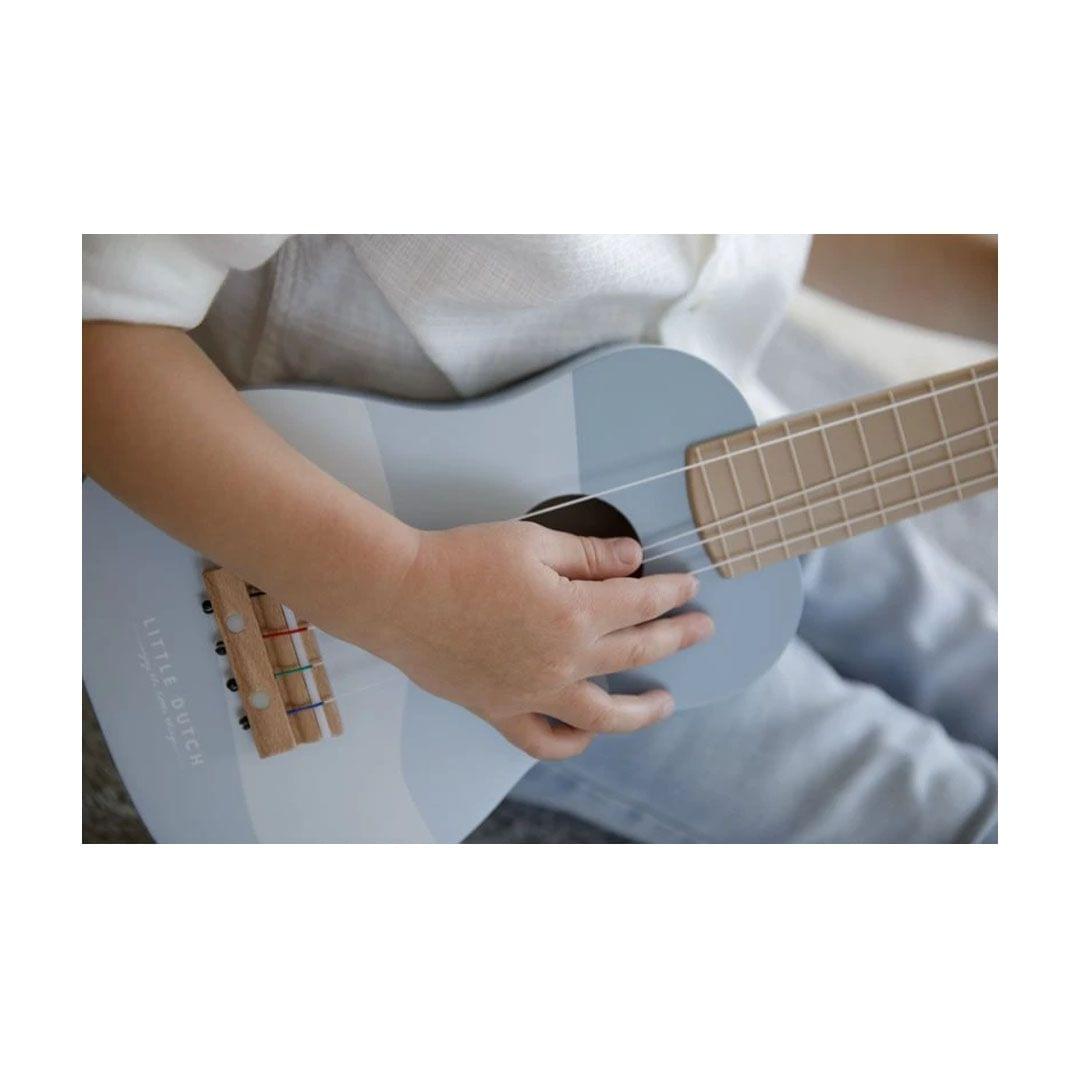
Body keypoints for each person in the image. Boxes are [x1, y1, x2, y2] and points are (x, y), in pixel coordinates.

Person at [82, 234, 998, 842]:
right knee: (952, 815)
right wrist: (406, 600)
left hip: (712, 434)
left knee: (977, 646)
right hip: (409, 623)